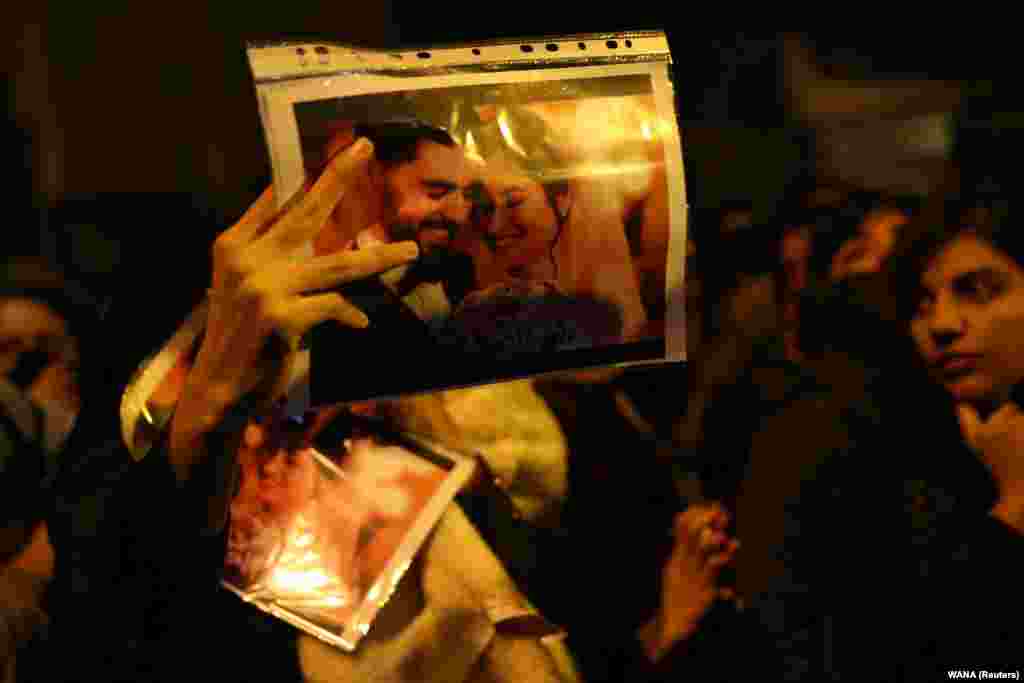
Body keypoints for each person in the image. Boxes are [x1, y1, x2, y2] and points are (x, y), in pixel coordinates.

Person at [19, 138, 573, 683]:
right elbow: (109, 594)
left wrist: (438, 435)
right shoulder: (165, 349)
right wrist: (215, 394)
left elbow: (568, 576)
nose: (450, 212)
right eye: (433, 190)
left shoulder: (478, 340)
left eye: (462, 196)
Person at [640, 196, 1024, 679]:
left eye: (978, 291)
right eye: (924, 303)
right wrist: (1011, 514)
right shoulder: (865, 449)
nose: (943, 324)